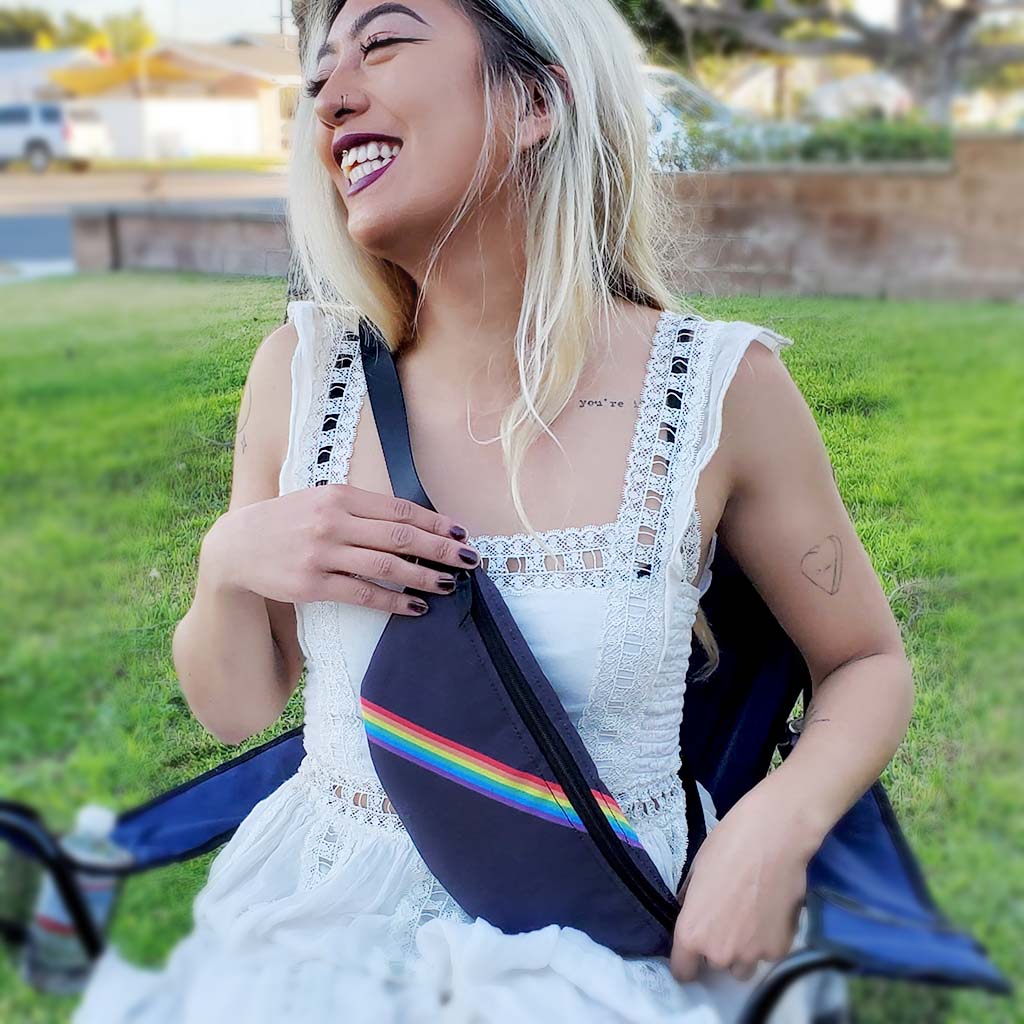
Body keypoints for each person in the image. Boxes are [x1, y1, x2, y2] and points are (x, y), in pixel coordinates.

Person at [71, 0, 914, 1020]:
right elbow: (236, 706)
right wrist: (229, 559)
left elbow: (864, 661)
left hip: (602, 942)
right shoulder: (303, 375)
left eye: (381, 41)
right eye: (318, 71)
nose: (327, 95)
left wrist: (774, 826)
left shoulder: (715, 388)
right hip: (322, 938)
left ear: (534, 99)